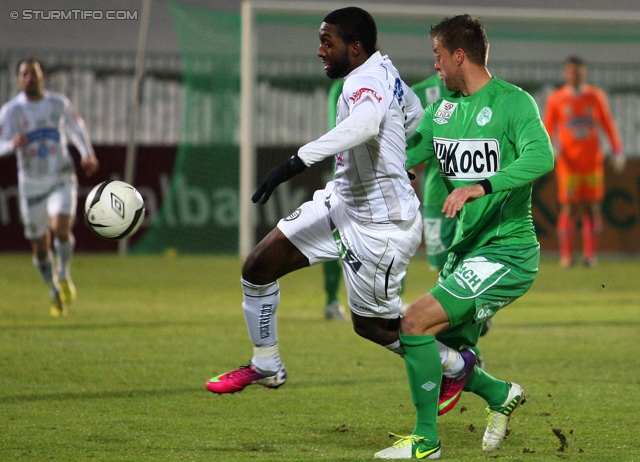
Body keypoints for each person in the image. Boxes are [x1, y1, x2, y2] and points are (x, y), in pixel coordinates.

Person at [206, 6, 424, 394]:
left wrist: (295, 161)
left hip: (379, 226)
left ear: (354, 48)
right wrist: (396, 160)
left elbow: (366, 123)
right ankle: (266, 363)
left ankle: (456, 364)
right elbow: (414, 113)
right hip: (341, 205)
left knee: (373, 326)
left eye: (328, 42)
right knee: (258, 267)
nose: (320, 50)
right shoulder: (383, 71)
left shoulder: (365, 82)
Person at [375, 14, 554, 459]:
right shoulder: (444, 110)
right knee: (440, 352)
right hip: (466, 252)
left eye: (438, 57)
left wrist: (481, 185)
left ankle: (426, 442)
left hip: (507, 252)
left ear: (459, 55)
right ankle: (499, 394)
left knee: (414, 323)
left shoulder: (514, 103)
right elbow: (408, 154)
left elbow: (542, 156)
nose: (435, 67)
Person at [0, 58, 99, 317]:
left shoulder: (58, 103)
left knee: (60, 228)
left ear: (42, 77)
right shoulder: (11, 112)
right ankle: (54, 291)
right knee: (40, 247)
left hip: (60, 178)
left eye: (33, 73)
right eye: (24, 74)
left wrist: (87, 153)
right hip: (31, 185)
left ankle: (64, 273)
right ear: (18, 79)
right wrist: (11, 145)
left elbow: (76, 129)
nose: (29, 78)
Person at [408, 73, 491, 371]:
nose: (437, 62)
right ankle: (472, 319)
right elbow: (412, 144)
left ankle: (468, 344)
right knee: (443, 265)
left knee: (460, 265)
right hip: (435, 193)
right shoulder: (420, 94)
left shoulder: (479, 92)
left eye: (439, 53)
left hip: (470, 193)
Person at [543, 56, 625, 269]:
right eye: (571, 71)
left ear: (584, 73)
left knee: (592, 208)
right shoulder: (556, 98)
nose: (575, 74)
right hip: (568, 164)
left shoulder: (595, 96)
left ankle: (590, 256)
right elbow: (548, 127)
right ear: (566, 74)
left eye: (578, 71)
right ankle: (567, 256)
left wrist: (617, 150)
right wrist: (547, 150)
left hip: (592, 163)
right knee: (568, 208)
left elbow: (607, 123)